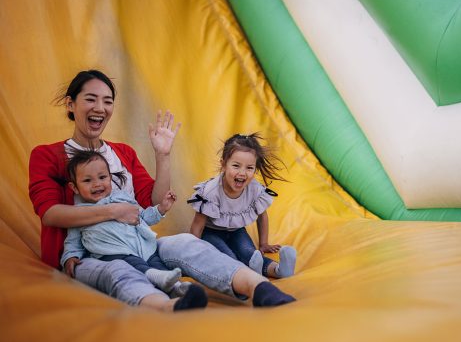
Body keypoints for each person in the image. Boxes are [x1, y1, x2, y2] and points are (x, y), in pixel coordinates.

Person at [29, 69, 295, 310]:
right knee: (120, 272)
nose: (100, 107)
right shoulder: (47, 155)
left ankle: (258, 287)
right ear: (71, 104)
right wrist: (114, 211)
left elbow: (151, 202)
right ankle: (169, 305)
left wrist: (163, 155)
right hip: (93, 255)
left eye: (108, 101)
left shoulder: (122, 153)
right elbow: (50, 213)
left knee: (188, 243)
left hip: (141, 245)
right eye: (90, 99)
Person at [62, 148, 194, 299]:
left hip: (142, 248)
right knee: (131, 264)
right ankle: (158, 280)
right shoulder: (80, 213)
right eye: (87, 180)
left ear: (110, 178)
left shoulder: (122, 198)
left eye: (102, 177)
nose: (97, 184)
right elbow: (72, 241)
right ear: (74, 187)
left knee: (156, 262)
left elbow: (143, 216)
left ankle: (175, 287)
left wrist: (161, 209)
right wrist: (70, 257)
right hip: (111, 253)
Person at [188, 133, 296, 279]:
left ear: (255, 169)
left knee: (250, 254)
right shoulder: (211, 192)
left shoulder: (254, 188)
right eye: (236, 166)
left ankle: (278, 270)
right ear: (223, 165)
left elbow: (262, 216)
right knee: (227, 257)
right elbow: (197, 226)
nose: (242, 173)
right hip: (210, 232)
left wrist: (263, 243)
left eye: (249, 168)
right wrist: (192, 253)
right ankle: (248, 275)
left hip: (236, 231)